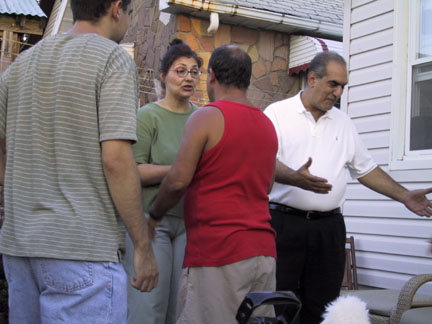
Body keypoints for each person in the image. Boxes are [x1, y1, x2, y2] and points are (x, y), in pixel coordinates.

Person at [0, 1, 158, 323]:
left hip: (20, 247)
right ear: (116, 8)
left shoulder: (21, 64)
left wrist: (17, 185)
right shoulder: (112, 58)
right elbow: (116, 159)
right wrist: (142, 245)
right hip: (83, 250)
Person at [264, 51, 432, 324]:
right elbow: (261, 163)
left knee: (323, 306)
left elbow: (366, 170)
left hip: (328, 229)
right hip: (284, 224)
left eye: (343, 86)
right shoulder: (277, 113)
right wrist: (294, 177)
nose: (338, 92)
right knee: (278, 304)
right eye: (333, 84)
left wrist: (404, 196)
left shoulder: (343, 122)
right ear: (313, 78)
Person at [149, 45, 278, 323]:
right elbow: (266, 187)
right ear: (247, 79)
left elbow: (178, 180)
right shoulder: (267, 124)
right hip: (263, 252)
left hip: (218, 252)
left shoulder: (207, 117)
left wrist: (155, 215)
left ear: (212, 76)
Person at [123, 38, 203, 324]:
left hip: (190, 223)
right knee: (148, 305)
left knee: (178, 308)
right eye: (180, 71)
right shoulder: (147, 116)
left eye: (194, 72)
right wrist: (178, 169)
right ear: (163, 75)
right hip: (152, 221)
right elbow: (133, 170)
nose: (188, 78)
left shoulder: (202, 118)